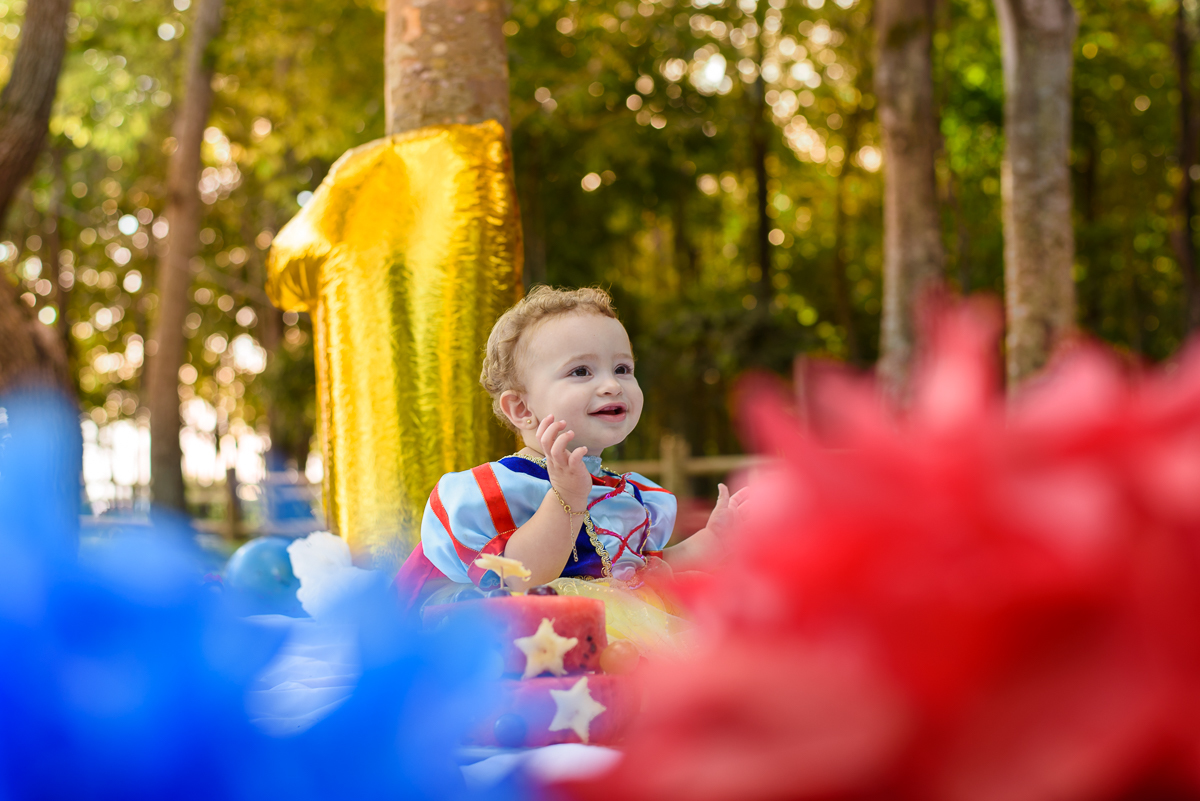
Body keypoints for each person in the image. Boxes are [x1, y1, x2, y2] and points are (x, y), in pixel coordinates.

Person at [396, 286, 747, 649]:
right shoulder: (504, 488)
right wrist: (565, 497)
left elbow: (644, 572)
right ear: (521, 409)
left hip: (631, 632)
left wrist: (711, 541)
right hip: (548, 643)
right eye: (581, 371)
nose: (612, 385)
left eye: (623, 368)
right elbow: (521, 577)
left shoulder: (628, 493)